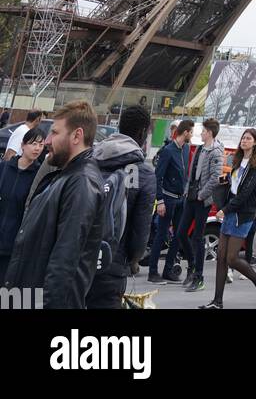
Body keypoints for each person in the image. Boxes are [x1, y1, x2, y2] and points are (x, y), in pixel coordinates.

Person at [3, 100, 105, 308]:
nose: (47, 140)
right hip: (25, 298)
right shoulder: (66, 176)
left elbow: (64, 263)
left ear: (77, 135)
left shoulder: (81, 183)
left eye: (55, 133)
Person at [86, 104, 157, 309]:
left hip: (78, 256)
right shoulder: (142, 173)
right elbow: (141, 227)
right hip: (112, 262)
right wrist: (134, 259)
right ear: (143, 133)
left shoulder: (91, 160)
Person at [200, 127, 256, 310]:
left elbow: (245, 193)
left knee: (231, 258)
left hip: (243, 214)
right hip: (231, 211)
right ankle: (217, 302)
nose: (244, 141)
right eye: (243, 138)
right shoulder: (237, 160)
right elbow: (235, 186)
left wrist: (225, 209)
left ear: (255, 142)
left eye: (248, 138)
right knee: (221, 258)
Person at [164, 117, 223, 292]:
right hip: (190, 196)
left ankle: (199, 277)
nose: (201, 133)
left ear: (210, 133)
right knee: (181, 233)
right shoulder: (199, 148)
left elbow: (215, 178)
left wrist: (201, 194)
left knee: (198, 237)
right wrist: (188, 190)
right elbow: (192, 171)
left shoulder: (216, 151)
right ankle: (192, 265)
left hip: (202, 200)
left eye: (203, 131)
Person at [147, 117, 193, 283]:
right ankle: (153, 272)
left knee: (178, 235)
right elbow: (157, 177)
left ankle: (168, 271)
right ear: (185, 132)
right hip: (168, 199)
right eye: (191, 132)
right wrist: (159, 200)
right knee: (161, 235)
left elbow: (186, 174)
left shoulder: (186, 149)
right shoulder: (168, 150)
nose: (192, 135)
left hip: (181, 200)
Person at [0, 126, 45, 282]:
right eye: (33, 143)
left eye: (41, 144)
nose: (37, 148)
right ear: (23, 145)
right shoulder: (4, 168)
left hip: (14, 245)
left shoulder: (39, 176)